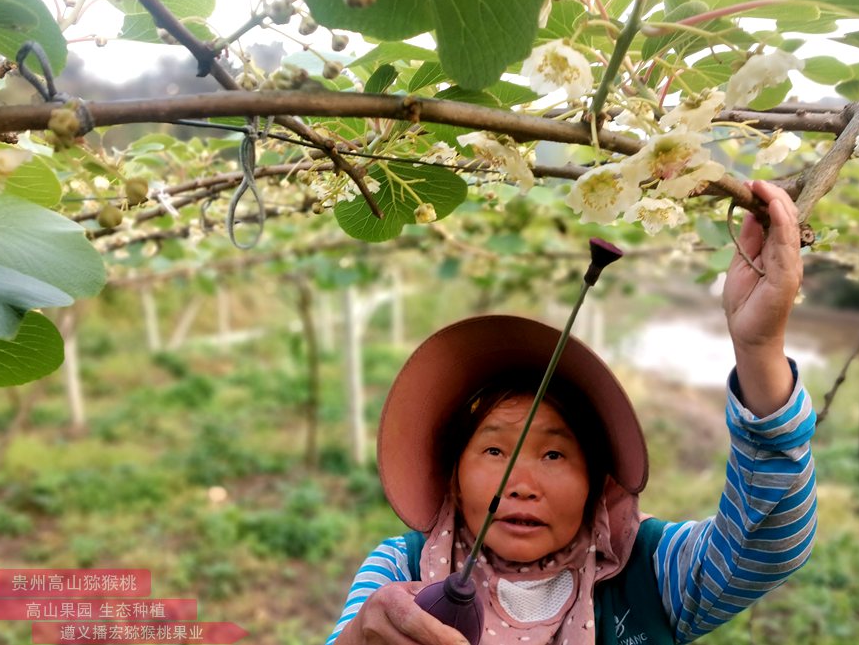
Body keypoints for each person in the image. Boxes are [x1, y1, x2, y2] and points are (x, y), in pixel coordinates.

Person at [327, 180, 817, 645]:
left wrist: (758, 349)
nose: (520, 484)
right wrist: (358, 637)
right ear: (453, 473)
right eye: (494, 448)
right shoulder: (399, 568)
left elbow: (767, 543)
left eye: (555, 455)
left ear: (597, 483)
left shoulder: (650, 569)